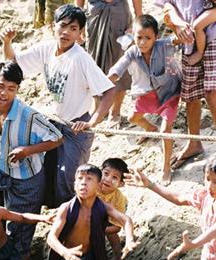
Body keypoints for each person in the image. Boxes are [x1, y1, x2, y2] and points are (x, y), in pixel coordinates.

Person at [1, 4, 115, 206]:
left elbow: (109, 91)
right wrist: (7, 42)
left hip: (77, 127)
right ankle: (53, 215)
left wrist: (93, 122)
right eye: (63, 26)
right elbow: (13, 61)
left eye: (73, 29)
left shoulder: (80, 59)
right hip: (54, 122)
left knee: (69, 178)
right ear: (54, 26)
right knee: (48, 169)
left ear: (80, 33)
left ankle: (71, 223)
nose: (66, 32)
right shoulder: (46, 49)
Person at [0, 61, 62, 260]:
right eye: (1, 86)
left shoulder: (28, 116)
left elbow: (57, 138)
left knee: (18, 237)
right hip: (4, 171)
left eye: (11, 89)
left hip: (27, 181)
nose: (4, 93)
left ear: (17, 90)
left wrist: (28, 150)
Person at [105, 14, 181, 185]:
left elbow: (177, 40)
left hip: (169, 92)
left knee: (165, 131)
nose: (143, 42)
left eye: (148, 38)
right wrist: (112, 76)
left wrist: (175, 26)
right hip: (147, 92)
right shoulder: (132, 51)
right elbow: (119, 66)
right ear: (134, 36)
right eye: (139, 37)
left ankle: (166, 167)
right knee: (133, 118)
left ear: (156, 37)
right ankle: (151, 129)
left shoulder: (163, 45)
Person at [156, 0, 216, 169]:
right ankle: (194, 143)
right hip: (189, 41)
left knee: (212, 92)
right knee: (191, 96)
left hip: (213, 35)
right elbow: (167, 5)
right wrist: (178, 23)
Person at [75, 0, 142, 127]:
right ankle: (98, 106)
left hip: (119, 13)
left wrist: (137, 20)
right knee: (93, 62)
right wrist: (78, 21)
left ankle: (115, 111)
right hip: (94, 13)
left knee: (120, 62)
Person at [98, 157, 129, 260]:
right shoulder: (91, 185)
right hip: (89, 215)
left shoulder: (118, 199)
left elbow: (116, 227)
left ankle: (118, 258)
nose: (108, 179)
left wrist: (99, 230)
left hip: (111, 215)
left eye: (115, 177)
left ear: (121, 184)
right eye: (105, 174)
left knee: (112, 235)